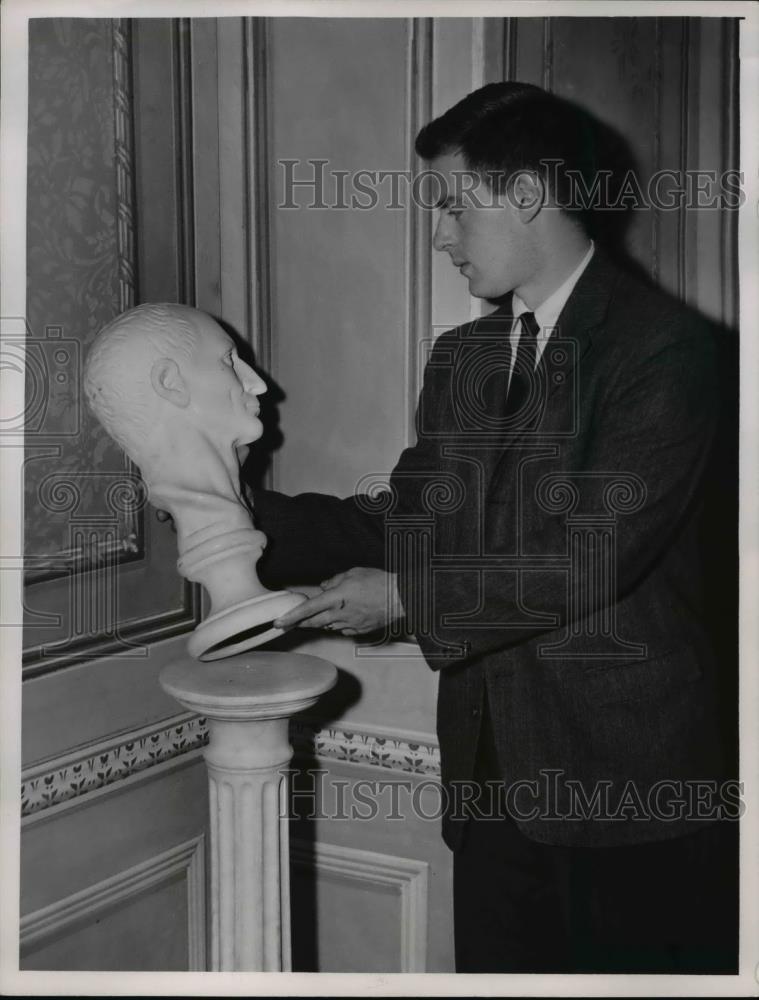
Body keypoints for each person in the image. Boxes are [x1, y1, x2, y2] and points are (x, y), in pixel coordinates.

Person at [246, 82, 738, 973]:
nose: (437, 234)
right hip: (490, 789)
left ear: (525, 196)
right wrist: (243, 521)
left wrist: (405, 599)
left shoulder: (665, 349)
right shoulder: (465, 355)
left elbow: (589, 556)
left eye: (449, 204)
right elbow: (410, 517)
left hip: (631, 795)